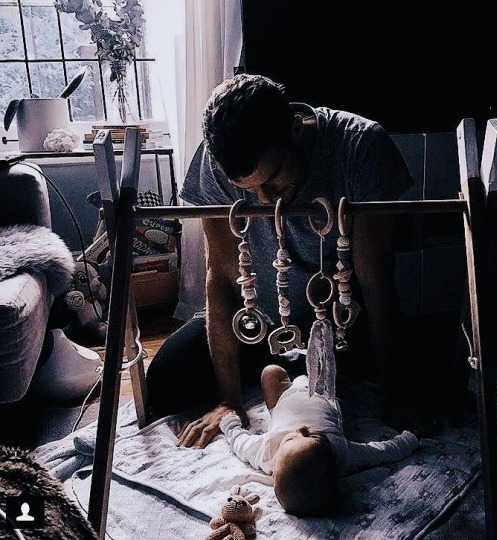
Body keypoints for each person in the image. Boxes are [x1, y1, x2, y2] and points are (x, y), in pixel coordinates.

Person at [147, 72, 422, 447]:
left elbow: (376, 281)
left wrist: (394, 395)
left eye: (272, 180)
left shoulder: (361, 145)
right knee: (163, 384)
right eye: (249, 189)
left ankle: (306, 375)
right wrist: (229, 401)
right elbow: (221, 278)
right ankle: (276, 377)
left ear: (295, 129)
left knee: (434, 384)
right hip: (256, 324)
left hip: (340, 326)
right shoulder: (214, 161)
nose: (264, 199)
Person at [219, 364, 420, 516]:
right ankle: (308, 366)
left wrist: (229, 424)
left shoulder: (265, 454)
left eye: (290, 439)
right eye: (314, 436)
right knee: (328, 364)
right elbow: (381, 452)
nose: (301, 429)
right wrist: (409, 440)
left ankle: (296, 368)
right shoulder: (342, 454)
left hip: (283, 397)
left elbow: (240, 443)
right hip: (323, 394)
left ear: (274, 471)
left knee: (270, 372)